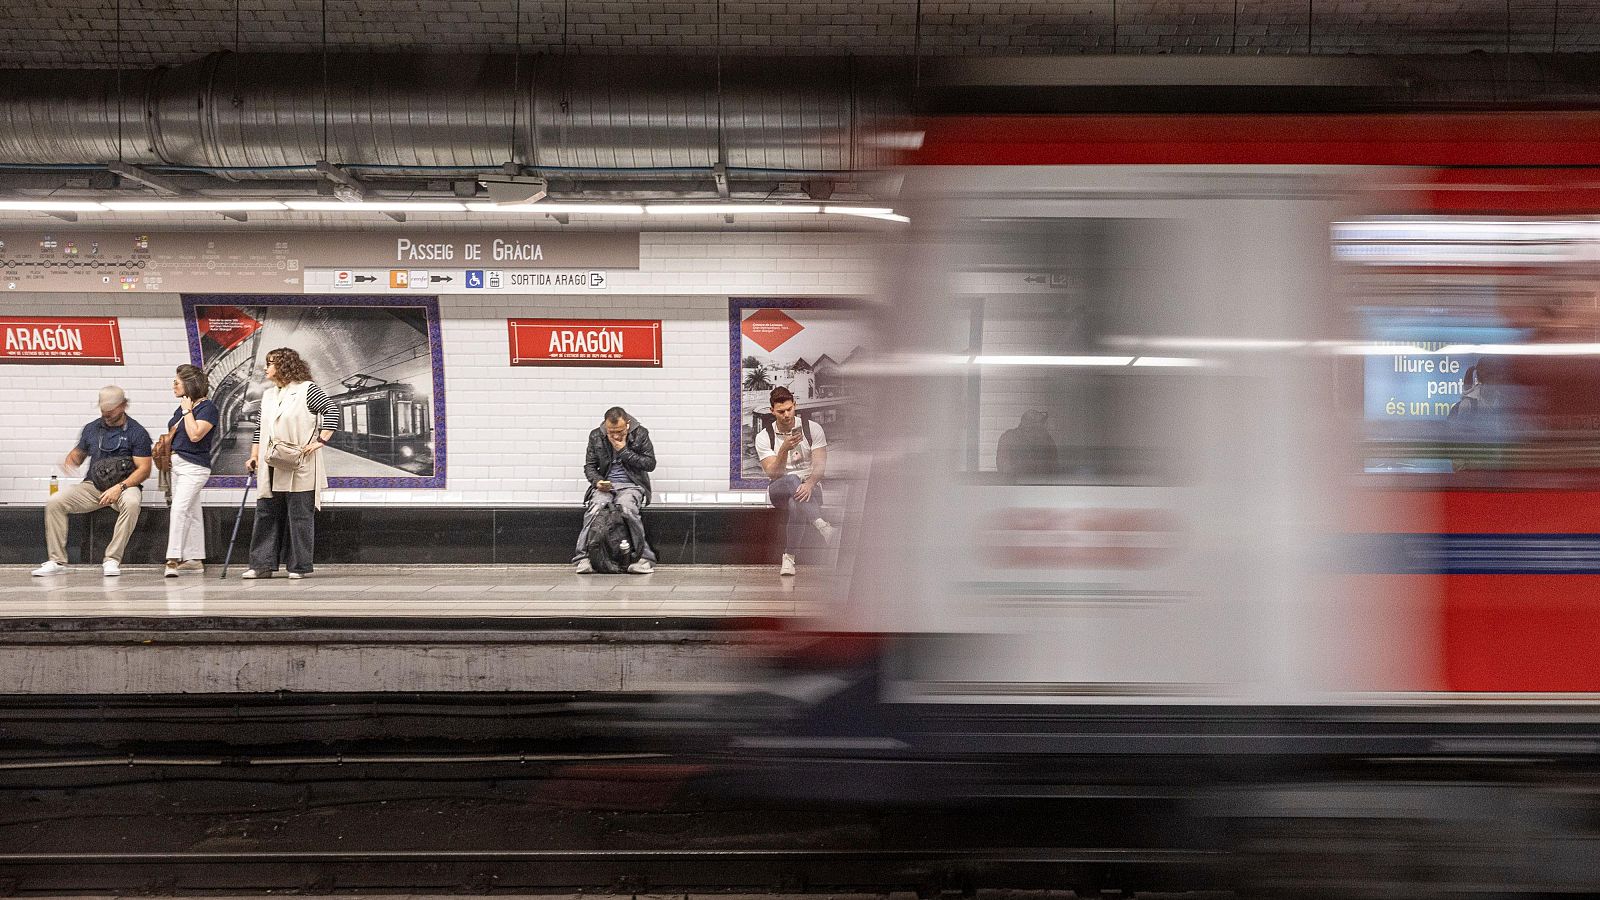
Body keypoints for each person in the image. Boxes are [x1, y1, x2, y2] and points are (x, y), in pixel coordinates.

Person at [33, 386, 153, 577]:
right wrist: (71, 458)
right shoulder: (91, 428)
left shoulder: (137, 433)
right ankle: (57, 561)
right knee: (55, 502)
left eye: (111, 410)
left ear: (123, 406)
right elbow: (79, 455)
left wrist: (120, 487)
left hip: (124, 486)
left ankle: (112, 559)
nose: (106, 413)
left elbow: (144, 469)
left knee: (131, 503)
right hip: (93, 486)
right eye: (103, 409)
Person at [241, 348, 339, 580]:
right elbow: (259, 430)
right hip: (270, 463)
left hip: (299, 462)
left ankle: (298, 566)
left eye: (270, 363)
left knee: (300, 515)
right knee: (266, 513)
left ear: (284, 365)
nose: (266, 368)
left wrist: (320, 441)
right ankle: (261, 565)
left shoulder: (307, 390)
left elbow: (332, 410)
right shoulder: (268, 395)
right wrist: (253, 455)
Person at [755, 386, 835, 577]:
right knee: (791, 478)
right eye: (781, 411)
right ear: (772, 411)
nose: (786, 415)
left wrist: (809, 484)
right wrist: (783, 449)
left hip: (810, 488)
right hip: (779, 488)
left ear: (795, 406)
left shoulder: (812, 429)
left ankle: (789, 559)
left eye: (790, 409)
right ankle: (822, 525)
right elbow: (773, 474)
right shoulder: (764, 436)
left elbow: (820, 468)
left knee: (795, 504)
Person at [575, 407, 657, 574]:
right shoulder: (596, 435)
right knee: (595, 508)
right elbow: (590, 466)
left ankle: (645, 558)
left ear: (627, 424)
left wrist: (623, 451)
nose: (615, 435)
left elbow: (650, 464)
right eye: (611, 431)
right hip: (606, 485)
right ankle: (582, 558)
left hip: (632, 485)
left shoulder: (640, 434)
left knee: (627, 508)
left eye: (619, 431)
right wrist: (597, 481)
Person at [158, 364, 219, 577]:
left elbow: (195, 435)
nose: (173, 386)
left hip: (194, 468)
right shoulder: (182, 408)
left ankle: (172, 559)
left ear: (190, 384)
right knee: (192, 513)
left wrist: (187, 411)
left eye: (177, 382)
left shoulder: (207, 408)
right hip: (177, 466)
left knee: (179, 509)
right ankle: (194, 559)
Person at [996, 409, 1058, 479]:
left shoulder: (1046, 439)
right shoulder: (1008, 438)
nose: (1045, 427)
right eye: (1041, 424)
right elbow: (1004, 468)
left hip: (1039, 485)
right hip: (1017, 485)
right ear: (1029, 428)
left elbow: (1053, 466)